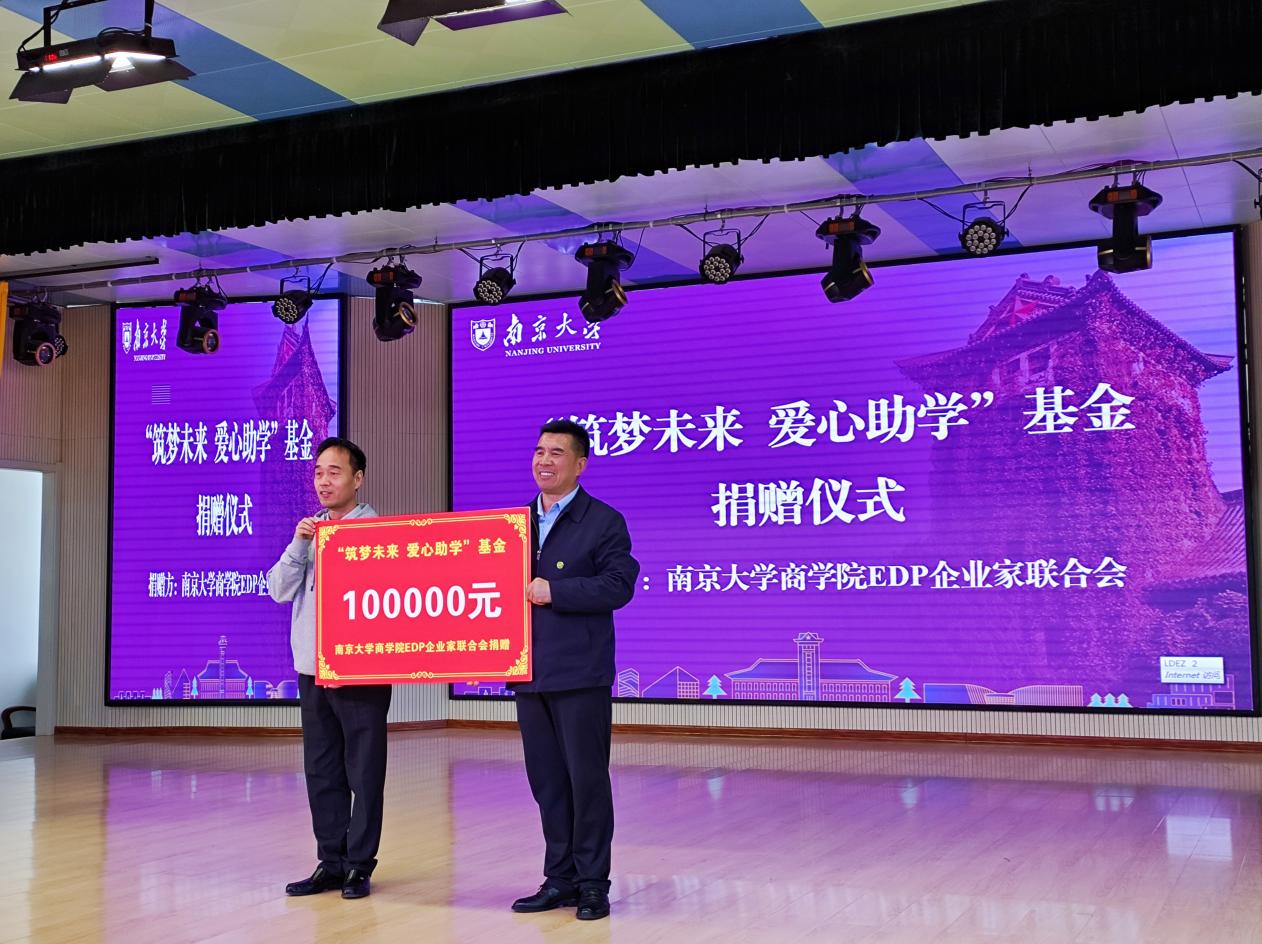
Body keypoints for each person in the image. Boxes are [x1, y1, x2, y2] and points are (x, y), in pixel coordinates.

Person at [509, 419, 639, 922]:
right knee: (546, 783)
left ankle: (592, 884)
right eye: (539, 451)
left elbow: (618, 585)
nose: (544, 461)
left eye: (557, 453)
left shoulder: (602, 520)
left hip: (581, 674)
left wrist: (555, 591)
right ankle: (558, 878)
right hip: (528, 671)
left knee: (587, 782)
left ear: (580, 464)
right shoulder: (511, 524)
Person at [268, 436, 390, 900]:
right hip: (312, 668)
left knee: (364, 771)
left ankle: (359, 864)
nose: (324, 481)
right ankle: (331, 861)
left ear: (358, 479)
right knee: (321, 770)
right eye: (318, 472)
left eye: (334, 472)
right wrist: (300, 544)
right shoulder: (310, 531)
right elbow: (278, 590)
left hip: (360, 672)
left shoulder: (378, 534)